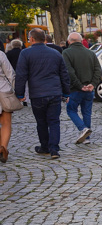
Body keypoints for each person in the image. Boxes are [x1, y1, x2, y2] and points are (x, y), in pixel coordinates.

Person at [15, 28, 70, 159]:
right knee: (54, 121)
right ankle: (54, 149)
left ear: (32, 39)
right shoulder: (56, 53)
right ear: (44, 39)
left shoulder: (25, 53)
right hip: (54, 92)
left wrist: (19, 93)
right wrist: (66, 92)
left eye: (29, 38)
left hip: (37, 93)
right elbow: (64, 74)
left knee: (41, 122)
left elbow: (21, 75)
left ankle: (44, 146)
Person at [62, 32, 101, 144]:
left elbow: (69, 72)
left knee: (71, 110)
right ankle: (86, 138)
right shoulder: (90, 53)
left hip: (76, 89)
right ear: (80, 41)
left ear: (69, 42)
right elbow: (98, 70)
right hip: (89, 89)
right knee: (87, 112)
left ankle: (83, 129)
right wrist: (93, 84)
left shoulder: (66, 53)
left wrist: (80, 86)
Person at [0, 50, 16, 163]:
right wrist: (17, 92)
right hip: (3, 91)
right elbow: (10, 73)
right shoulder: (0, 54)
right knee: (6, 122)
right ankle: (3, 148)